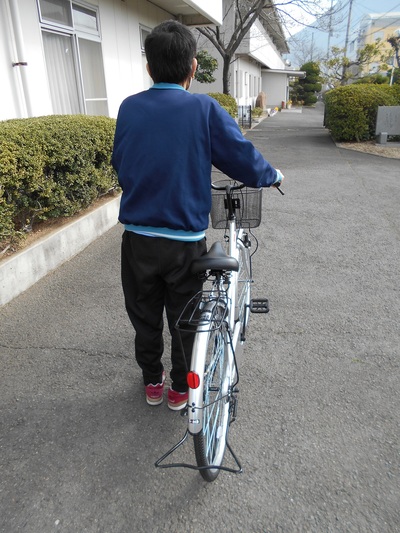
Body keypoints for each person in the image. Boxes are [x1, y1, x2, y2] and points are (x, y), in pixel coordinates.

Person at [112, 20, 284, 411]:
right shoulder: (203, 108)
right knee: (185, 318)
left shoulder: (129, 107)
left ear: (149, 67)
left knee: (143, 314)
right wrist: (271, 175)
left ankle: (151, 381)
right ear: (193, 67)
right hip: (184, 242)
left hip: (138, 239)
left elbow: (121, 161)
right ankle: (179, 389)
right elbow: (240, 157)